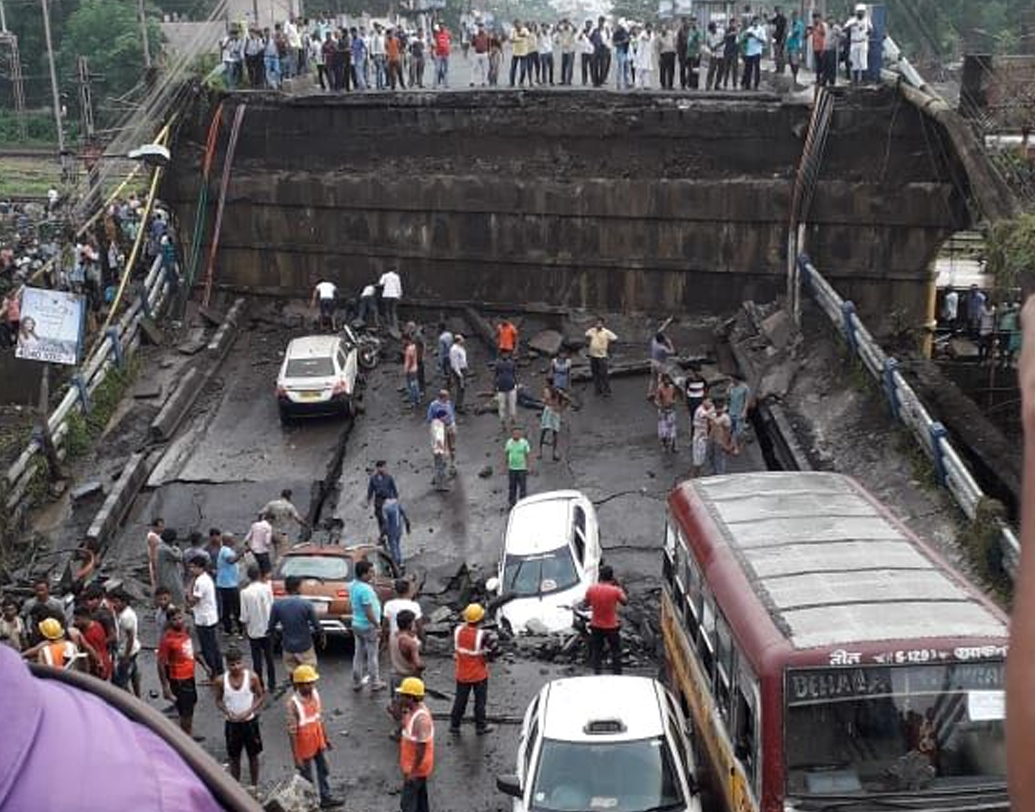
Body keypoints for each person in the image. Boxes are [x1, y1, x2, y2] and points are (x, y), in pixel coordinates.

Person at [287, 665, 343, 809]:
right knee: (307, 777)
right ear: (298, 685)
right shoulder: (293, 704)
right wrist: (296, 757)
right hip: (303, 744)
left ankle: (326, 798)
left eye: (312, 682)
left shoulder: (315, 694)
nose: (311, 685)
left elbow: (319, 718)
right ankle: (310, 804)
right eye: (307, 683)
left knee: (324, 769)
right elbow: (292, 732)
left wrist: (325, 737)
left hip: (318, 739)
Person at [216, 646, 265, 787]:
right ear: (227, 665)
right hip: (231, 725)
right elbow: (218, 700)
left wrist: (250, 711)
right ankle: (235, 787)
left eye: (238, 663)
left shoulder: (252, 677)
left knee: (253, 755)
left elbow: (261, 697)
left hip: (249, 723)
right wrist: (226, 711)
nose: (236, 667)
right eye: (232, 664)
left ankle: (254, 786)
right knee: (234, 757)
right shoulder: (220, 681)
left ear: (243, 662)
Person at [449, 603, 496, 735]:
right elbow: (496, 650)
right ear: (480, 619)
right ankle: (480, 726)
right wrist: (489, 657)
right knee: (480, 702)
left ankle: (454, 725)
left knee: (460, 701)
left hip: (462, 674)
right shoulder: (482, 636)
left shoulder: (457, 631)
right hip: (478, 675)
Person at [267, 575, 325, 673]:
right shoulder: (306, 605)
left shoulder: (277, 605)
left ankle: (295, 688)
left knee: (293, 674)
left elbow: (271, 627)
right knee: (308, 675)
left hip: (288, 647)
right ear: (298, 587)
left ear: (286, 588)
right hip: (305, 646)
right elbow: (317, 626)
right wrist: (322, 637)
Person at [157, 605, 199, 736]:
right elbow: (160, 663)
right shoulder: (167, 640)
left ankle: (189, 733)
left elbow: (191, 651)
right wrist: (165, 687)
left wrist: (205, 666)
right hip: (179, 680)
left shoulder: (185, 633)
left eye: (180, 618)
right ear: (169, 622)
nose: (178, 621)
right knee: (185, 711)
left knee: (191, 706)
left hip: (190, 676)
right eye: (174, 619)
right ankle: (186, 739)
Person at [579, 565, 627, 675]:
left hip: (596, 625)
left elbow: (585, 604)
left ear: (599, 576)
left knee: (597, 652)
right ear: (611, 577)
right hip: (612, 626)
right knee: (615, 651)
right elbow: (625, 602)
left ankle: (597, 673)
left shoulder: (592, 589)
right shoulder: (615, 590)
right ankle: (617, 674)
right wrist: (619, 586)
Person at [397, 677, 435, 812]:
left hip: (416, 769)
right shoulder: (411, 710)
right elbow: (406, 727)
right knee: (420, 800)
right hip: (414, 768)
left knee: (407, 804)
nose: (400, 698)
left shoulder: (421, 720)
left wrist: (412, 772)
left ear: (411, 698)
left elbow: (421, 749)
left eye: (403, 695)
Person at [388, 610, 425, 739]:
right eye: (413, 623)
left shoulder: (393, 635)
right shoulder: (410, 643)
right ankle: (406, 730)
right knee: (411, 707)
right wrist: (422, 666)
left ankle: (398, 729)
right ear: (410, 624)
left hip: (395, 674)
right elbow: (418, 664)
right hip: (408, 678)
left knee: (398, 704)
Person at [350, 559, 385, 692]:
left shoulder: (354, 585)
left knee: (358, 653)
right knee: (372, 655)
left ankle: (357, 681)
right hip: (368, 625)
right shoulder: (365, 590)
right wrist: (377, 625)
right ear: (363, 574)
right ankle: (375, 682)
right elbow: (368, 610)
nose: (373, 574)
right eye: (370, 572)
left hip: (357, 623)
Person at [240, 564, 276, 691]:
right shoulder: (267, 588)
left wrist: (244, 630)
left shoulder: (244, 593)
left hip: (253, 630)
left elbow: (244, 615)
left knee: (257, 660)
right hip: (268, 628)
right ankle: (272, 683)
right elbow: (272, 607)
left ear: (248, 576)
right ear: (260, 575)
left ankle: (259, 684)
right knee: (269, 657)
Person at [188, 556, 223, 679]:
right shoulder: (206, 579)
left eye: (193, 567)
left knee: (208, 649)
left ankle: (213, 674)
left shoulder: (200, 581)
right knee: (214, 647)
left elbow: (193, 600)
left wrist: (189, 588)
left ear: (200, 567)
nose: (191, 570)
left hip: (204, 620)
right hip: (209, 617)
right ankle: (219, 671)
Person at [262, 489, 308, 560]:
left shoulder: (272, 504)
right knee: (282, 554)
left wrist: (259, 523)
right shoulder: (290, 506)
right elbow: (298, 519)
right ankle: (277, 567)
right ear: (289, 496)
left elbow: (261, 513)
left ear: (281, 495)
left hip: (270, 531)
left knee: (269, 550)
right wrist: (306, 525)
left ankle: (268, 565)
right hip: (282, 533)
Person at [109, 592, 141, 695]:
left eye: (116, 602)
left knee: (121, 682)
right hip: (133, 648)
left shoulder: (126, 617)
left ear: (124, 603)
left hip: (127, 650)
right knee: (133, 673)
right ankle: (138, 696)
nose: (114, 604)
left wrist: (126, 656)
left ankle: (131, 702)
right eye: (113, 601)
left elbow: (130, 637)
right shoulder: (122, 612)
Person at [72, 604, 112, 680]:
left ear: (85, 618)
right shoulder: (97, 625)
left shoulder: (89, 635)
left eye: (77, 619)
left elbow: (94, 653)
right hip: (106, 660)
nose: (75, 622)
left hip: (98, 668)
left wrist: (99, 665)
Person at [216, 534, 243, 636]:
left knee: (226, 608)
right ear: (228, 540)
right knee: (236, 608)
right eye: (233, 539)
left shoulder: (226, 550)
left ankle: (228, 629)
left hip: (225, 583)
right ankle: (239, 629)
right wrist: (241, 553)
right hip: (229, 585)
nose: (234, 540)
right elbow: (231, 560)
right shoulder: (226, 550)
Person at [367, 460, 399, 540]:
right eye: (382, 467)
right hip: (378, 500)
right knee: (380, 518)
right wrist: (368, 500)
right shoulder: (373, 479)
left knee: (387, 519)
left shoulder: (389, 477)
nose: (384, 469)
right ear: (378, 468)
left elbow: (393, 488)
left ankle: (385, 534)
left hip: (388, 499)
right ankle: (382, 534)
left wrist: (395, 498)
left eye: (385, 467)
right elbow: (370, 490)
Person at [586, 318, 618, 397]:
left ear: (603, 324)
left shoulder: (606, 332)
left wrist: (608, 345)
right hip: (593, 355)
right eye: (597, 323)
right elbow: (586, 334)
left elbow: (615, 338)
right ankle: (598, 389)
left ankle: (607, 391)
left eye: (600, 323)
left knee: (604, 374)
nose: (598, 325)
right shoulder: (592, 331)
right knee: (595, 373)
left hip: (602, 356)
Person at [155, 527, 185, 608]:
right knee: (177, 601)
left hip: (162, 577)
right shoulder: (166, 549)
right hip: (171, 578)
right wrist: (176, 547)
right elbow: (179, 557)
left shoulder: (159, 547)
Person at [504, 426, 534, 507]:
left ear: (520, 434)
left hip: (522, 469)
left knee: (522, 487)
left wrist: (529, 466)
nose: (516, 435)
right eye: (514, 433)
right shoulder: (508, 442)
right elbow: (506, 454)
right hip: (512, 468)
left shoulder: (524, 443)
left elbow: (527, 455)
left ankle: (522, 504)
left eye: (518, 433)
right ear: (512, 434)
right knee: (512, 487)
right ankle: (512, 503)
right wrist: (505, 466)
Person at [843, 4, 872, 85]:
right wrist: (851, 25)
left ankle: (864, 80)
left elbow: (871, 29)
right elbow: (844, 29)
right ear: (856, 12)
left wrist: (868, 31)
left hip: (863, 42)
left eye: (862, 12)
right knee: (855, 62)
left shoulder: (867, 20)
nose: (861, 14)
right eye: (859, 12)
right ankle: (855, 80)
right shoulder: (852, 20)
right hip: (854, 42)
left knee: (863, 62)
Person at [540, 382, 568, 462]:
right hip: (548, 412)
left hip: (555, 414)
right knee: (544, 430)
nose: (545, 394)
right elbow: (545, 401)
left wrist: (561, 409)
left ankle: (554, 452)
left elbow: (568, 400)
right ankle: (541, 450)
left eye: (546, 392)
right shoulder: (550, 397)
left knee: (554, 432)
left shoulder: (558, 394)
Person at [708, 398, 735, 475]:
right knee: (711, 455)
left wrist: (726, 442)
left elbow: (728, 431)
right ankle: (713, 471)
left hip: (720, 440)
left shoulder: (725, 418)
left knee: (719, 457)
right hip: (712, 438)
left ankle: (720, 473)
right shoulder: (713, 414)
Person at [383, 496, 410, 569]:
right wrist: (407, 525)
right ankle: (401, 562)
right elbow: (403, 514)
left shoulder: (385, 507)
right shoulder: (396, 504)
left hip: (391, 531)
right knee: (397, 546)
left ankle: (397, 563)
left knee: (393, 547)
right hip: (399, 529)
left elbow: (386, 521)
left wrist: (383, 532)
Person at [691, 395, 716, 478]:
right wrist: (715, 410)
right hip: (698, 437)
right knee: (697, 461)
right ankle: (694, 477)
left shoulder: (708, 409)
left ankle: (698, 475)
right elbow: (706, 416)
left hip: (704, 436)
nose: (710, 403)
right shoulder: (700, 410)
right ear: (703, 401)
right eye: (709, 401)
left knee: (702, 459)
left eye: (711, 402)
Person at [727, 374, 751, 453]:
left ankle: (733, 446)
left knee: (737, 431)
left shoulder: (745, 388)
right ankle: (733, 445)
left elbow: (747, 401)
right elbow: (728, 397)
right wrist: (729, 389)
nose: (732, 381)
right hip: (731, 411)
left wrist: (744, 411)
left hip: (740, 412)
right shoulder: (731, 386)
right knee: (731, 429)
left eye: (732, 379)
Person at [655, 374, 679, 454]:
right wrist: (661, 407)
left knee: (672, 429)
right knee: (663, 430)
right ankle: (665, 445)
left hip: (671, 410)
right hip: (663, 411)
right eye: (665, 380)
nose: (667, 382)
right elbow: (657, 400)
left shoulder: (672, 387)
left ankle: (673, 446)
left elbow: (675, 397)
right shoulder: (660, 388)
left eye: (668, 380)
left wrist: (673, 402)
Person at [494, 351, 518, 429]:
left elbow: (514, 374)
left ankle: (511, 419)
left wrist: (516, 383)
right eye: (504, 354)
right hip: (504, 387)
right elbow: (496, 375)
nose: (505, 355)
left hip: (508, 386)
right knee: (503, 406)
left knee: (509, 405)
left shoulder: (509, 363)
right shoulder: (501, 364)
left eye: (506, 354)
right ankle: (503, 421)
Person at [648, 331, 675, 398]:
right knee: (661, 380)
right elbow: (672, 352)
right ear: (662, 340)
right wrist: (670, 343)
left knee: (653, 378)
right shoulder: (662, 348)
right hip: (660, 364)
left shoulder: (654, 342)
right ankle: (659, 395)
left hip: (653, 361)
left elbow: (656, 334)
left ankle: (650, 393)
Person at [449, 334, 468, 413]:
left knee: (462, 388)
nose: (463, 340)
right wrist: (459, 374)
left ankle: (460, 404)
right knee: (460, 388)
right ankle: (458, 405)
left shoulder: (460, 348)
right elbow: (454, 363)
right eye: (462, 339)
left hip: (463, 368)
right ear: (458, 340)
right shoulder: (454, 350)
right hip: (459, 370)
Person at [380, 267, 403, 333]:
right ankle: (395, 326)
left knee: (387, 310)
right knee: (393, 311)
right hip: (394, 295)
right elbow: (398, 286)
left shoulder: (385, 275)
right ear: (394, 270)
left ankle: (389, 325)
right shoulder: (396, 277)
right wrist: (399, 295)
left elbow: (381, 284)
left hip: (386, 295)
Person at [146, 517, 165, 592]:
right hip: (156, 564)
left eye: (163, 526)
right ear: (154, 527)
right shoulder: (152, 537)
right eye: (160, 527)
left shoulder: (158, 535)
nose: (162, 528)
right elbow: (153, 554)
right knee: (157, 585)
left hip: (161, 563)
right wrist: (155, 568)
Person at [403, 337, 421, 411]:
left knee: (410, 386)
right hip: (415, 368)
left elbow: (408, 362)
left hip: (410, 371)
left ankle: (412, 402)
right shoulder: (414, 347)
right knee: (415, 384)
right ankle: (418, 399)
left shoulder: (408, 350)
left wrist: (406, 370)